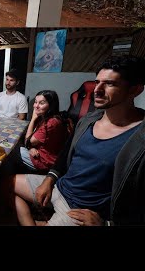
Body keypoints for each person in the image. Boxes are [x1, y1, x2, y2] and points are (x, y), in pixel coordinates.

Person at [12, 55, 145, 226]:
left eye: (110, 84)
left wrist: (106, 223)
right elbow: (66, 152)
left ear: (135, 90)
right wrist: (49, 179)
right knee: (4, 184)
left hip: (80, 209)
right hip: (60, 187)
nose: (97, 89)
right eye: (97, 82)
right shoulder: (89, 119)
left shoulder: (140, 137)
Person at [12, 90, 69, 174]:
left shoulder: (51, 122)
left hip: (45, 161)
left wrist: (33, 119)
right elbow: (30, 143)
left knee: (11, 151)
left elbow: (28, 141)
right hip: (39, 151)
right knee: (15, 143)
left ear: (51, 105)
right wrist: (31, 148)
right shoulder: (45, 117)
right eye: (35, 102)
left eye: (41, 103)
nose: (36, 106)